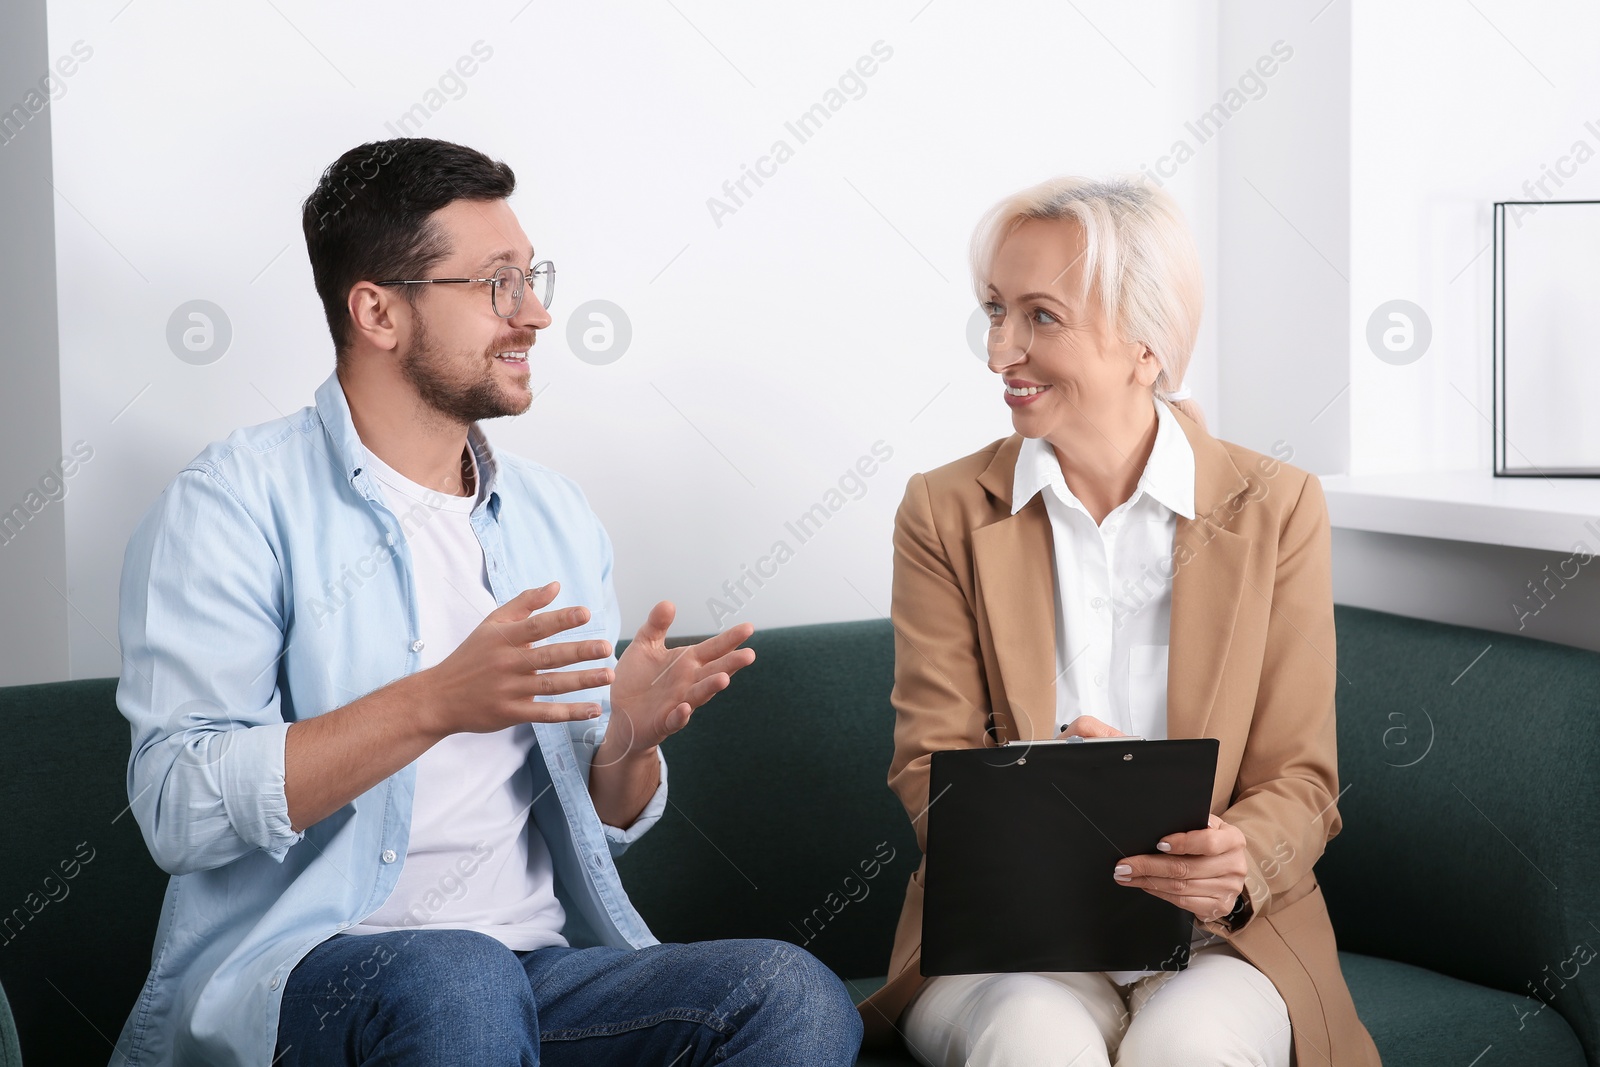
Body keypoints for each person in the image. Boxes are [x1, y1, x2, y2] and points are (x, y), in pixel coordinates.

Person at [110, 137, 863, 1067]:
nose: (537, 313)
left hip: (532, 973)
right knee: (457, 976)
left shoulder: (554, 514)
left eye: (532, 277)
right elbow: (178, 808)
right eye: (498, 283)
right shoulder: (229, 505)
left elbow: (596, 826)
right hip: (305, 979)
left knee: (785, 993)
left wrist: (624, 744)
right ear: (378, 310)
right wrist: (432, 703)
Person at [857, 176, 1380, 1066]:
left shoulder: (1276, 507)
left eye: (1040, 317)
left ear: (1147, 346)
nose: (999, 353)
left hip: (1225, 934)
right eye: (994, 311)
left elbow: (1302, 777)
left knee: (1190, 1050)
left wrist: (1235, 860)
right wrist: (1055, 802)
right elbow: (927, 767)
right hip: (1009, 933)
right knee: (1033, 1044)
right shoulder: (943, 509)